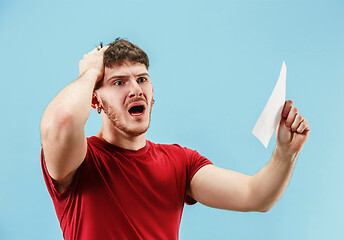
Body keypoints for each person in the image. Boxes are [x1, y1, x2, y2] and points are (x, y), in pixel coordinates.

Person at [40, 38, 310, 240]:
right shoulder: (81, 159)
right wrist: (89, 73)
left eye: (142, 79)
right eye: (119, 82)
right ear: (95, 101)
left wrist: (285, 153)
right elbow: (60, 121)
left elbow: (256, 196)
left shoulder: (181, 161)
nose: (136, 90)